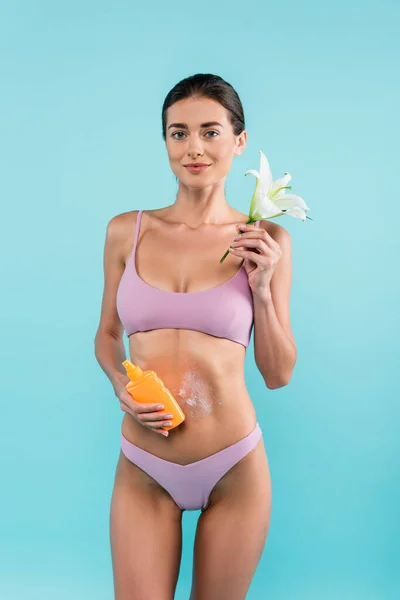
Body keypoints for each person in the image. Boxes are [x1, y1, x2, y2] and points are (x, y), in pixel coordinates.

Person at [94, 73, 297, 600]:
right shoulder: (126, 230)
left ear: (239, 140)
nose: (194, 148)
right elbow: (107, 334)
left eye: (210, 131)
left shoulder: (267, 239)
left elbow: (278, 374)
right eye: (178, 133)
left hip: (234, 465)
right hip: (144, 462)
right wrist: (121, 384)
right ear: (164, 141)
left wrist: (265, 290)